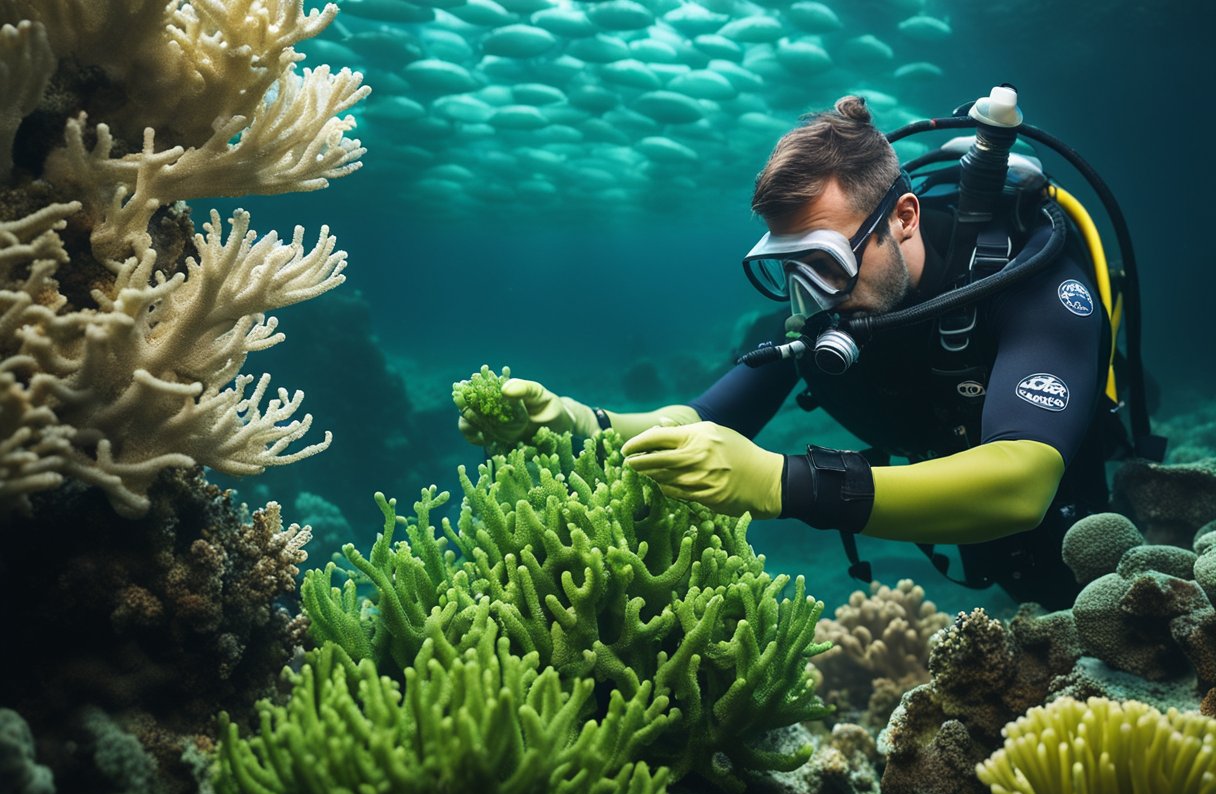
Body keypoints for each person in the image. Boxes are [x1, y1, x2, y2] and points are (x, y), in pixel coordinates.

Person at [457, 94, 1127, 611]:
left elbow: (1022, 483)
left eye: (825, 262)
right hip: (989, 565)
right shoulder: (818, 313)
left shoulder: (1033, 282)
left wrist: (785, 484)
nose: (809, 296)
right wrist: (573, 420)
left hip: (1107, 559)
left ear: (904, 219)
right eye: (787, 267)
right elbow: (702, 422)